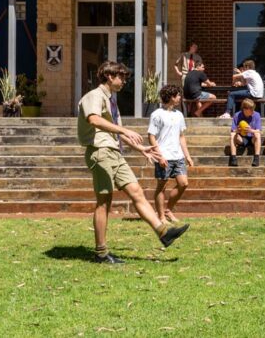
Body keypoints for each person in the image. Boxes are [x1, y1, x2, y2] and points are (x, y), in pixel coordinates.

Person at [77, 61, 188, 264]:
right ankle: (101, 253)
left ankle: (164, 233)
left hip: (114, 152)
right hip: (99, 151)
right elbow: (93, 119)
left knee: (136, 191)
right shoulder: (94, 96)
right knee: (104, 201)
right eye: (121, 77)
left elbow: (117, 132)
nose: (124, 81)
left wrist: (141, 149)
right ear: (110, 76)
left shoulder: (111, 100)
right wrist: (124, 130)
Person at [148, 84, 195, 223]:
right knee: (162, 187)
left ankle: (168, 210)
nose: (180, 97)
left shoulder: (179, 114)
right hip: (164, 156)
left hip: (178, 156)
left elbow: (181, 136)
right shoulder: (157, 114)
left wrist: (187, 156)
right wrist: (159, 156)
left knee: (183, 183)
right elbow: (151, 136)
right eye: (178, 95)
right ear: (171, 97)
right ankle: (161, 216)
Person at [228, 98, 263, 167]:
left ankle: (256, 158)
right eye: (251, 109)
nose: (253, 111)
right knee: (232, 135)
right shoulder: (237, 115)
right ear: (244, 109)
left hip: (253, 138)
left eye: (253, 109)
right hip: (242, 139)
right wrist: (237, 130)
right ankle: (233, 158)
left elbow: (258, 130)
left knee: (257, 134)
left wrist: (251, 130)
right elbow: (233, 130)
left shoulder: (256, 115)